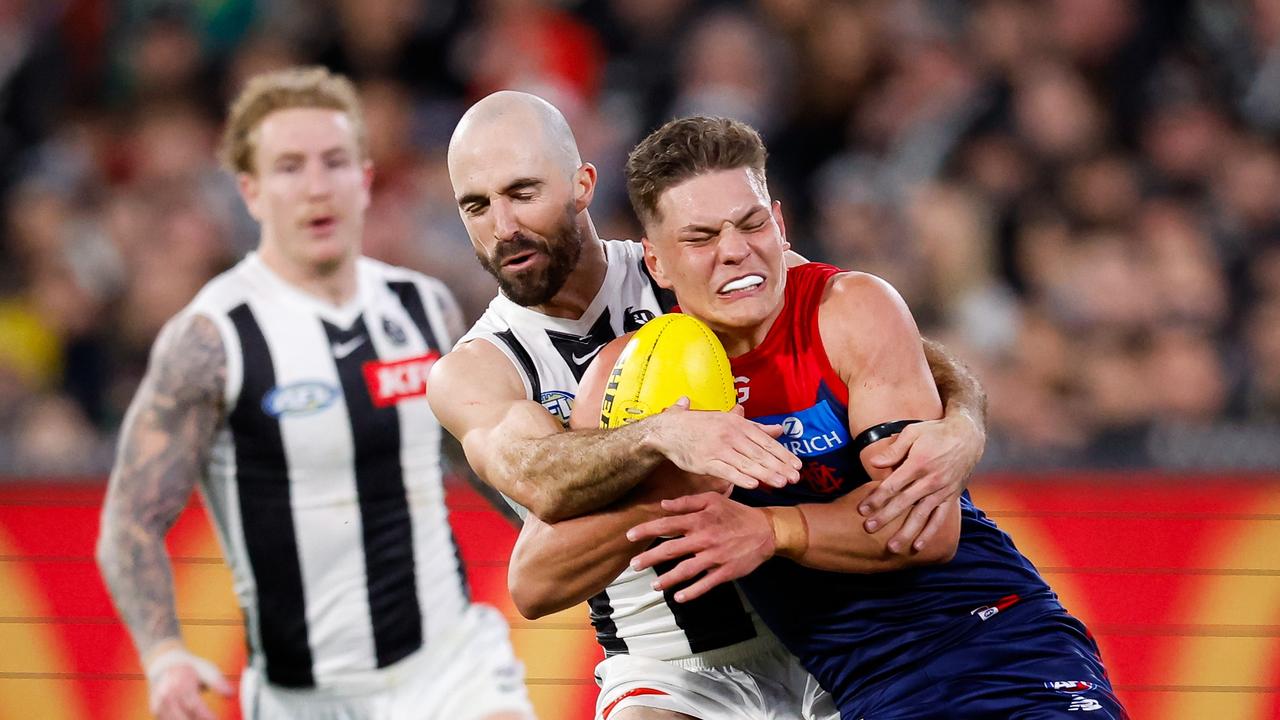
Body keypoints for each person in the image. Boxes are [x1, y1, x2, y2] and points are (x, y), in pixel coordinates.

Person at [430, 90, 988, 719]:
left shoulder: (691, 253)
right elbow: (536, 480)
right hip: (672, 669)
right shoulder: (476, 370)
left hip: (830, 633)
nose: (502, 227)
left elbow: (877, 337)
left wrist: (966, 418)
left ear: (582, 184)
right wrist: (663, 440)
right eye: (475, 206)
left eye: (523, 193)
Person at [609, 115, 1127, 719]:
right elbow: (534, 584)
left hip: (994, 642)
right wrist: (644, 445)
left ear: (779, 223)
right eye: (700, 238)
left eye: (751, 224)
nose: (734, 250)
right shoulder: (642, 376)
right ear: (657, 263)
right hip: (866, 691)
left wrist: (772, 532)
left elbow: (927, 532)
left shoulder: (848, 309)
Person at [95, 67, 534, 720]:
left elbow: (479, 457)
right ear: (249, 191)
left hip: (453, 669)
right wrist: (162, 657)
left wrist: (562, 529)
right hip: (302, 699)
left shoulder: (424, 309)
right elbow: (129, 522)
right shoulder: (213, 340)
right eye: (290, 167)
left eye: (334, 162)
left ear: (363, 177)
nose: (316, 187)